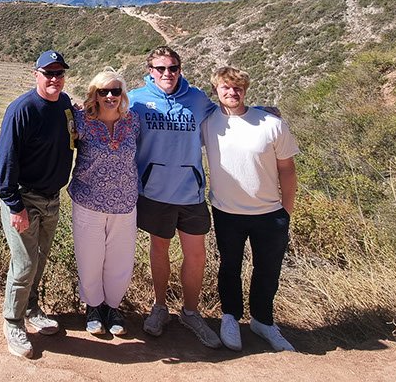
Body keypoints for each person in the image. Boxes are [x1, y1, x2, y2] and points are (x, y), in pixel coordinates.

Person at [128, 46, 222, 348]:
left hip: (191, 191)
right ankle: (159, 307)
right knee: (159, 250)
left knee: (196, 255)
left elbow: (227, 114)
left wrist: (260, 111)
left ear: (180, 69)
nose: (167, 73)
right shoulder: (136, 100)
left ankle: (191, 312)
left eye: (173, 68)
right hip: (155, 192)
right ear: (150, 71)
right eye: (160, 68)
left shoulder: (197, 99)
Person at [202, 66, 299, 353]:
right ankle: (230, 317)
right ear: (216, 90)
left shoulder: (271, 124)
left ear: (245, 90)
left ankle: (263, 321)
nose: (232, 92)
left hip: (269, 213)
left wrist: (286, 210)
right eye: (226, 87)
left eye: (238, 88)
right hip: (226, 211)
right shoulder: (207, 123)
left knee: (268, 270)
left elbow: (287, 169)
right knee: (229, 267)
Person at [0, 49, 79, 359]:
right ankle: (13, 322)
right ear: (36, 75)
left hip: (52, 198)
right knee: (25, 264)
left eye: (59, 73)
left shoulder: (65, 104)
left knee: (40, 259)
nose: (55, 78)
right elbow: (5, 160)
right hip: (24, 198)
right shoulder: (22, 110)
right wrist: (14, 206)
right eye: (48, 73)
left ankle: (30, 308)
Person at [68, 67, 140, 336]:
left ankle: (113, 307)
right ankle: (93, 307)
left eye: (115, 91)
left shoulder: (133, 121)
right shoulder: (81, 120)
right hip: (88, 201)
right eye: (103, 91)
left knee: (120, 260)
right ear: (94, 95)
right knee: (90, 258)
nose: (110, 96)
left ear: (122, 94)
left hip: (125, 202)